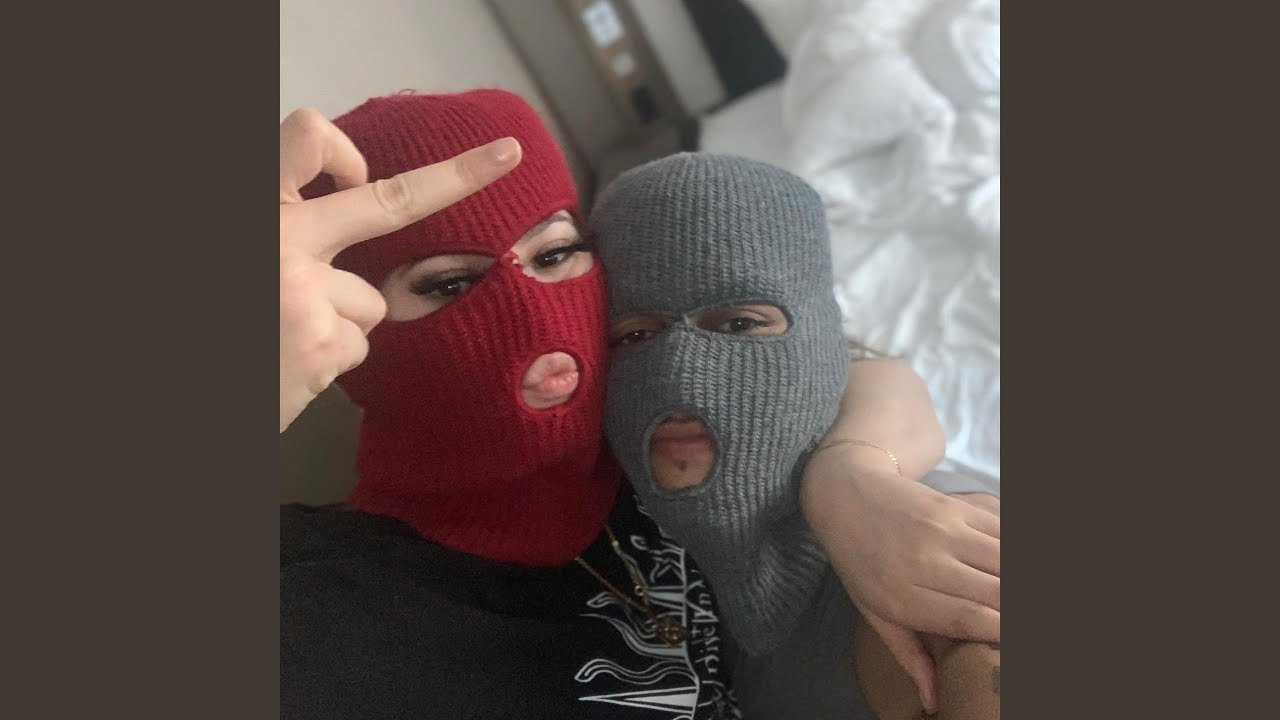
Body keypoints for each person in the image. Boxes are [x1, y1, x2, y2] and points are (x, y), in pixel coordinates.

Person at [278, 89, 998, 718]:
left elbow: (849, 362)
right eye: (449, 284)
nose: (533, 312)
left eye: (553, 254)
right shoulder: (328, 607)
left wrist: (853, 478)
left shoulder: (645, 427)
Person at [590, 152, 1000, 719]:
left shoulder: (920, 540)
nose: (679, 376)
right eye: (635, 336)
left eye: (739, 324)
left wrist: (848, 474)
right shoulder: (605, 518)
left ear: (817, 341)